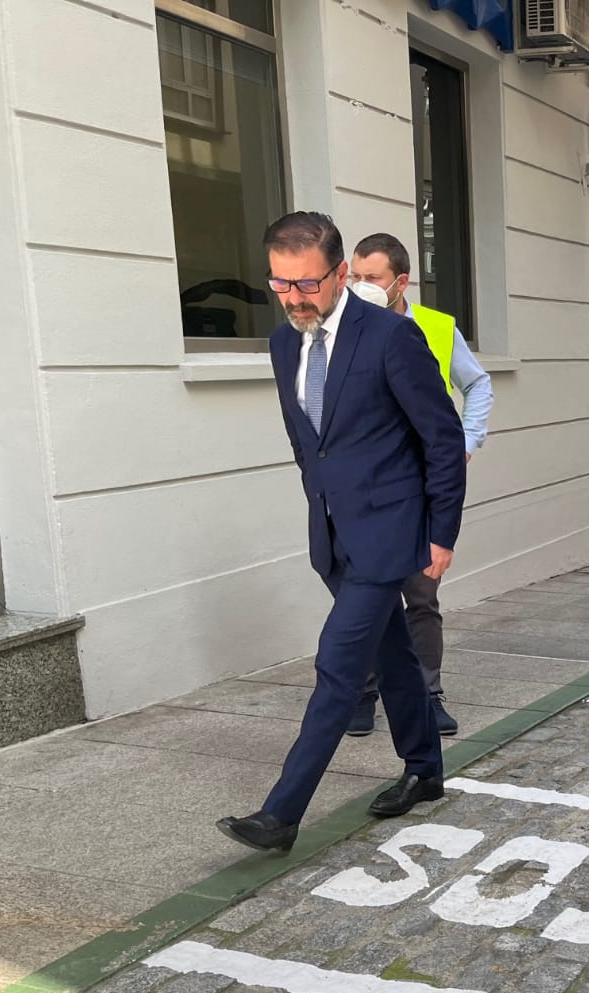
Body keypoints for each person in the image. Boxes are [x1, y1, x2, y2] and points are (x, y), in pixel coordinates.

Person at [216, 212, 466, 853]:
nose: (295, 298)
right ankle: (426, 770)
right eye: (280, 285)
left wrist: (441, 535)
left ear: (338, 274)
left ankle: (280, 815)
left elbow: (441, 438)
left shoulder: (388, 336)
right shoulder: (282, 345)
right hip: (332, 535)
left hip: (390, 532)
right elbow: (310, 444)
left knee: (337, 666)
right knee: (396, 657)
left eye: (307, 284)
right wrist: (320, 512)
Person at [347, 232, 495, 739]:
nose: (359, 286)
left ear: (400, 281)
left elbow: (477, 382)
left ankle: (428, 695)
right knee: (363, 597)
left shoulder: (435, 327)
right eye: (354, 276)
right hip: (365, 486)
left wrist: (467, 440)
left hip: (420, 486)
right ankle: (363, 695)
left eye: (371, 278)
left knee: (421, 595)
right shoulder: (341, 327)